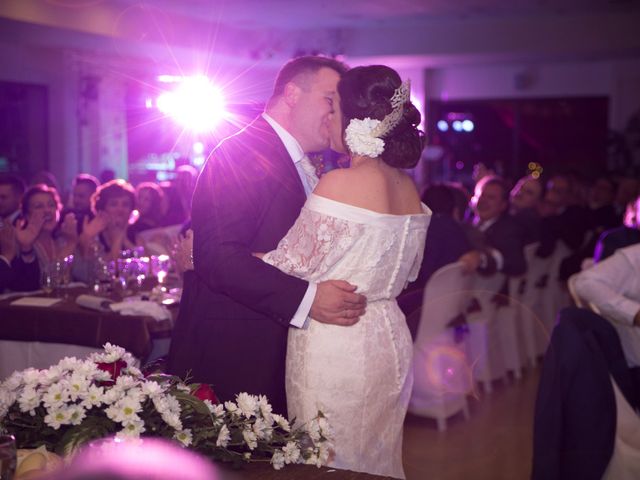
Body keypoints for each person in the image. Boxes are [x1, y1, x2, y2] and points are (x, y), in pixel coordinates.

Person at [167, 56, 366, 418]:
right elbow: (221, 258)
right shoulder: (243, 153)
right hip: (236, 354)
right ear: (291, 93)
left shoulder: (303, 162)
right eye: (330, 100)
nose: (337, 114)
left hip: (274, 350)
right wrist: (309, 298)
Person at [260, 65, 429, 478]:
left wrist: (200, 258)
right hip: (389, 337)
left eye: (334, 109)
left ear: (356, 121)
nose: (328, 118)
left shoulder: (339, 183)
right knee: (378, 460)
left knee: (326, 462)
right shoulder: (408, 188)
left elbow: (288, 266)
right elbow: (407, 274)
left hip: (338, 345)